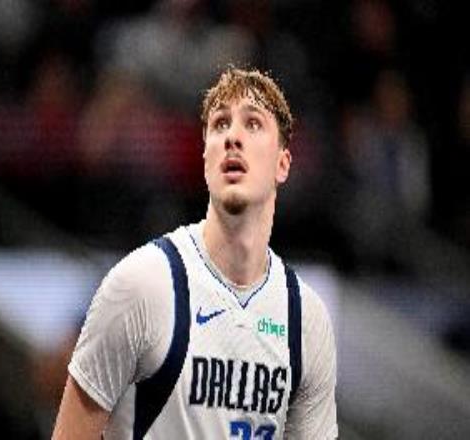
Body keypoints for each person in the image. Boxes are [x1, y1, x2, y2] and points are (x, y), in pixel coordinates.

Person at [52, 67, 338, 439]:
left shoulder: (307, 318)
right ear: (205, 159)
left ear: (282, 164)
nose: (233, 137)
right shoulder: (140, 284)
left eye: (253, 124)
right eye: (220, 125)